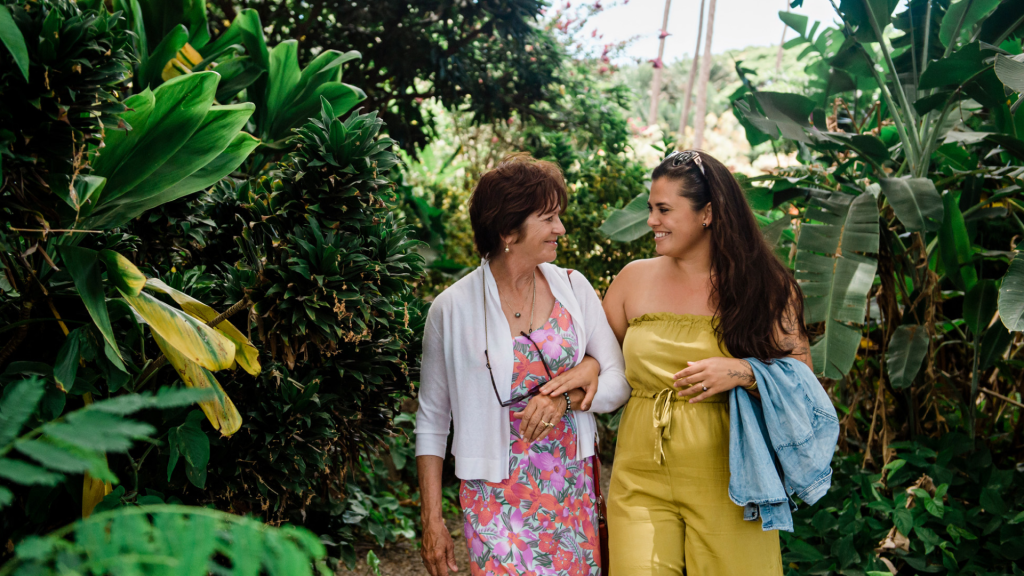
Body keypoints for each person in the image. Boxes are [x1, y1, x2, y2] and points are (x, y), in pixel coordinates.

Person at [415, 153, 630, 576]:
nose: (560, 228)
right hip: (493, 497)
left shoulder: (573, 288)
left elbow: (618, 380)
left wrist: (565, 398)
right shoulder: (451, 309)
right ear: (508, 230)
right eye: (548, 218)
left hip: (569, 489)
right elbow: (432, 420)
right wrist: (432, 520)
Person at [601, 150, 813, 575]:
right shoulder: (632, 279)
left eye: (664, 210)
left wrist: (741, 372)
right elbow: (602, 361)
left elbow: (803, 382)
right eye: (650, 209)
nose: (651, 221)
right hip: (640, 475)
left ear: (708, 213)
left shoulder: (765, 286)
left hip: (732, 477)